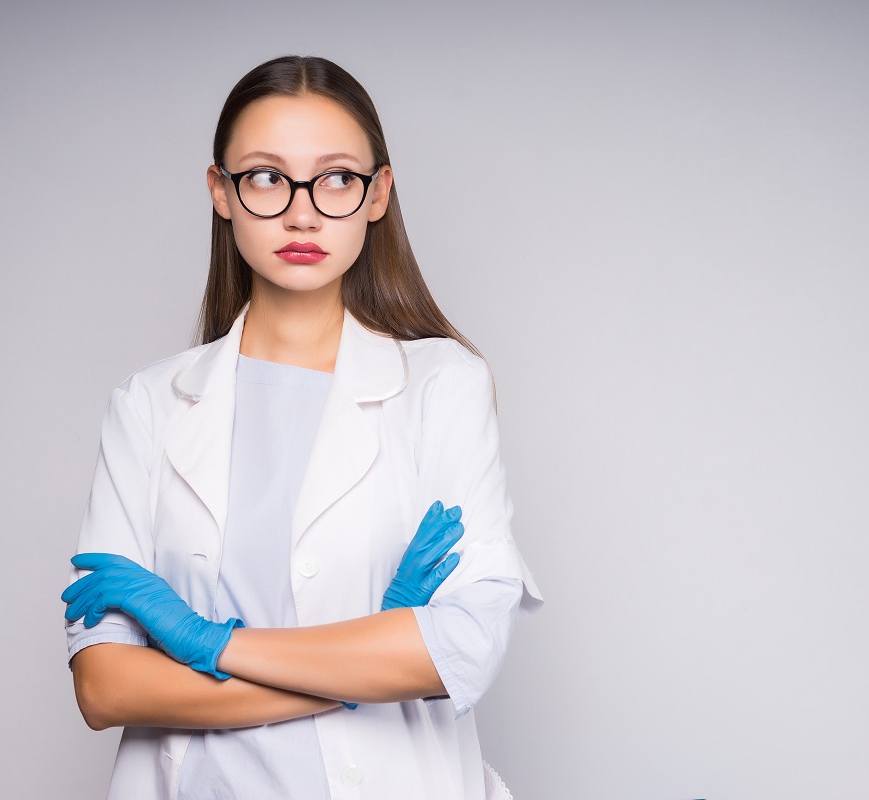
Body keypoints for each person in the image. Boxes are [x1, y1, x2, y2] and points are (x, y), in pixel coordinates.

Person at [62, 55, 543, 800]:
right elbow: (105, 686)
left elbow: (461, 650)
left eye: (337, 178)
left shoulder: (443, 386)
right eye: (264, 177)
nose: (302, 211)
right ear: (220, 192)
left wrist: (206, 645)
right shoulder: (150, 405)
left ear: (378, 193)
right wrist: (360, 662)